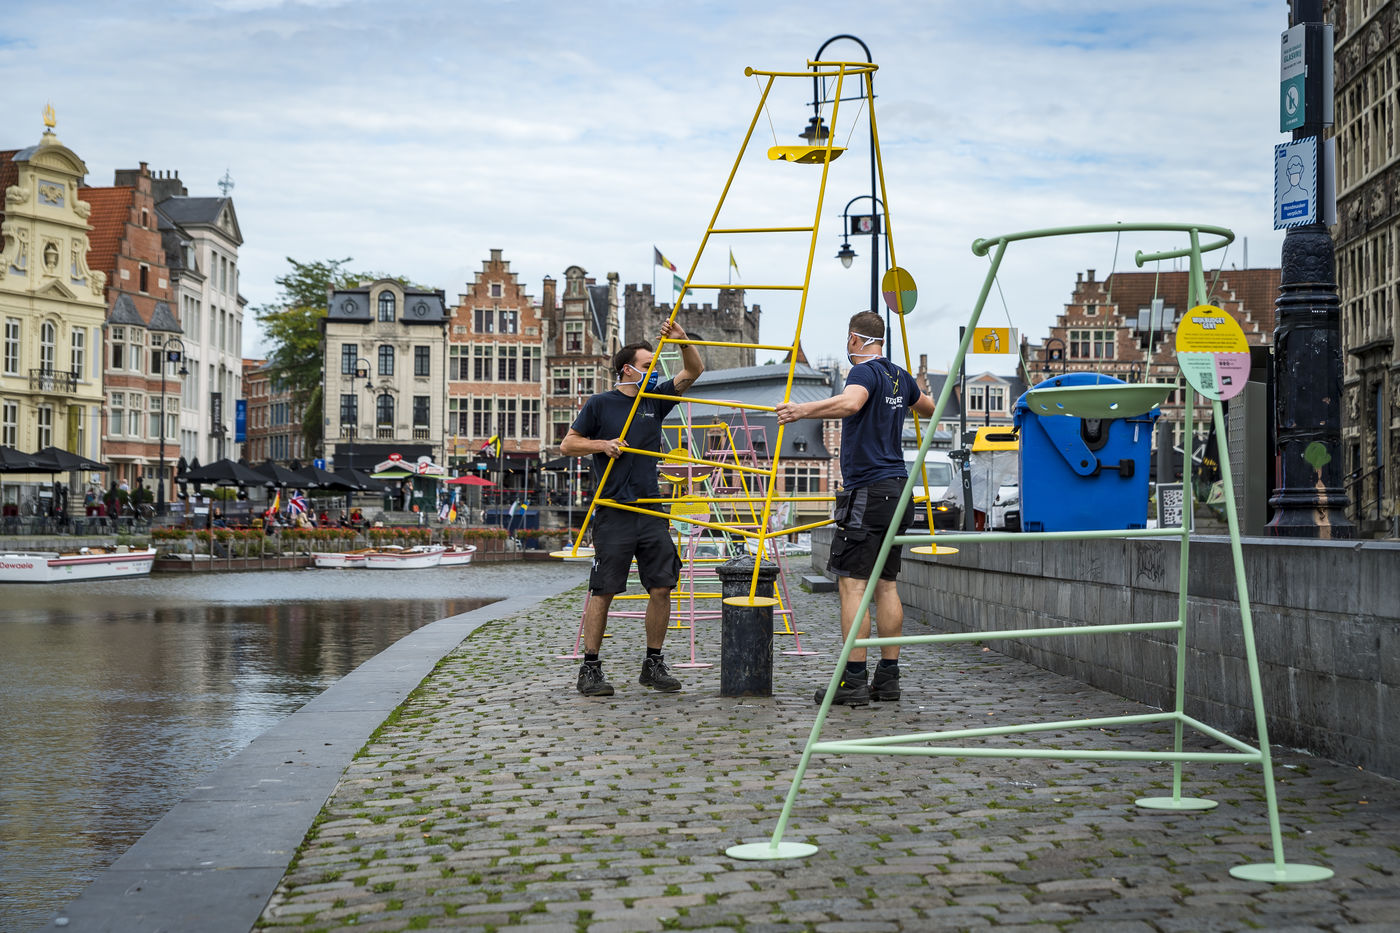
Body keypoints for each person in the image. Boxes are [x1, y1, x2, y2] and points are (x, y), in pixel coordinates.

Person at [775, 311, 937, 706]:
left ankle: (854, 681)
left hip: (868, 490)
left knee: (853, 585)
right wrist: (905, 401)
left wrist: (801, 410)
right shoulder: (900, 375)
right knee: (886, 585)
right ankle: (889, 678)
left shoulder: (863, 372)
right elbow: (930, 408)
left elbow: (851, 403)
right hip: (900, 489)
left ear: (854, 340)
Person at [560, 319, 703, 697]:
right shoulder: (600, 404)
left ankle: (653, 664)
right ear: (627, 369)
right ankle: (590, 668)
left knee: (662, 587)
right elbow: (568, 444)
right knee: (603, 590)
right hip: (614, 510)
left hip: (651, 510)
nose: (653, 371)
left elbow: (694, 370)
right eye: (647, 365)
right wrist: (602, 445)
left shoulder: (654, 400)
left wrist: (682, 340)